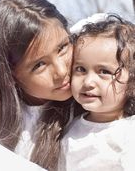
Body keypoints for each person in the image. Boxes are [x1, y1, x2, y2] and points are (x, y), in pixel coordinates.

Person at [0, 0, 74, 171]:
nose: (61, 71)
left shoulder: (99, 103)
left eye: (63, 48)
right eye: (39, 65)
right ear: (9, 75)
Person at [58, 15, 135, 171]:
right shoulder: (68, 126)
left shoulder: (129, 133)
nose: (88, 82)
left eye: (104, 71)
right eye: (81, 69)